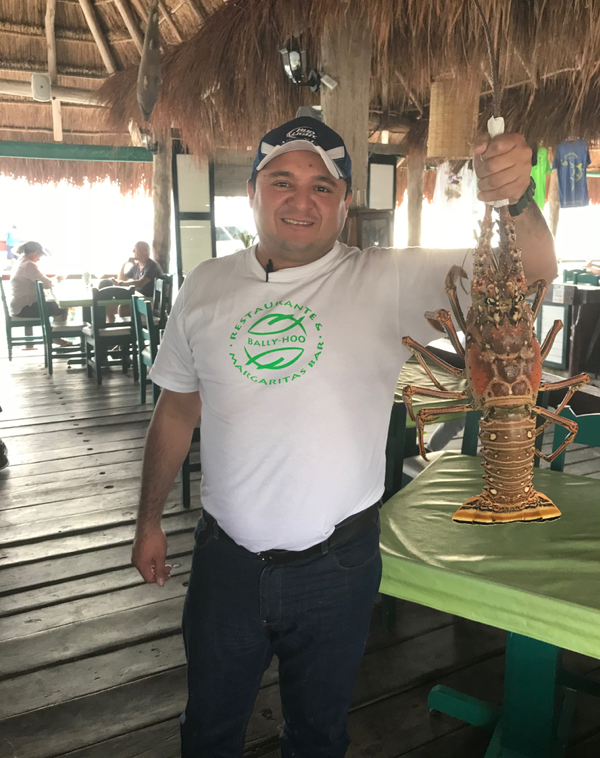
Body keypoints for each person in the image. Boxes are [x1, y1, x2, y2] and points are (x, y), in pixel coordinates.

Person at [131, 116, 557, 758]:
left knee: (319, 735)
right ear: (252, 191)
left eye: (322, 186)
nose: (301, 200)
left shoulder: (388, 280)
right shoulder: (205, 286)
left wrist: (518, 200)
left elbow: (532, 273)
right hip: (226, 563)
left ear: (345, 201)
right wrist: (148, 521)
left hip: (338, 563)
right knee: (209, 732)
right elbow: (175, 408)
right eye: (282, 181)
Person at [103, 241, 163, 322]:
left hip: (150, 301)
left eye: (135, 249)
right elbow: (122, 278)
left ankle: (127, 328)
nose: (133, 251)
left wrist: (120, 284)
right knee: (109, 307)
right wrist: (125, 263)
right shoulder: (137, 266)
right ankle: (111, 327)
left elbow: (141, 283)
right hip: (139, 298)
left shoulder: (152, 266)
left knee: (122, 308)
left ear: (145, 250)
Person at [9, 241, 66, 320]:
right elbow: (47, 284)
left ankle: (53, 327)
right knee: (62, 307)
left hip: (18, 306)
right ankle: (56, 328)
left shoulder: (20, 262)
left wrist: (53, 280)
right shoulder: (28, 265)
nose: (39, 259)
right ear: (35, 253)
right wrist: (57, 279)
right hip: (25, 307)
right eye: (40, 255)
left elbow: (43, 281)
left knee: (54, 305)